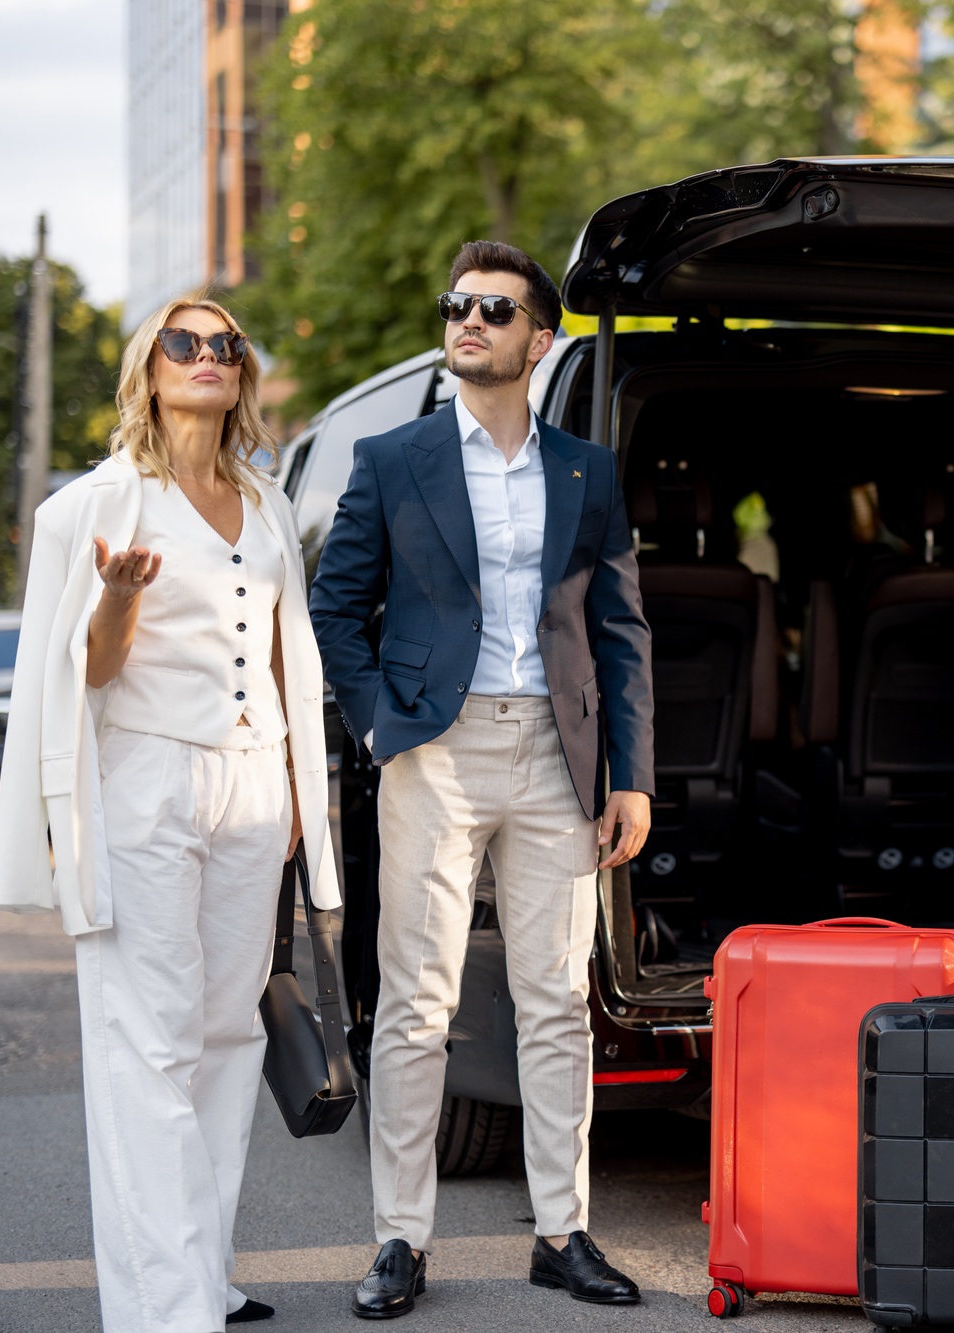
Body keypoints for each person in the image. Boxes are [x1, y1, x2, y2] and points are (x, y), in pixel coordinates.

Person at [310, 239, 655, 1319]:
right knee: (417, 1003)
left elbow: (620, 629)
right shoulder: (391, 457)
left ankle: (561, 1232)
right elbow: (335, 606)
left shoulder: (586, 471)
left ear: (538, 340)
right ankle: (400, 1239)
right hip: (435, 751)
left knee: (555, 1000)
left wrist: (632, 775)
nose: (468, 320)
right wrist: (381, 725)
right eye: (457, 305)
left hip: (558, 756)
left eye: (494, 310)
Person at [0, 296, 339, 1332]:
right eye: (183, 342)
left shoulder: (265, 500)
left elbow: (282, 648)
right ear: (150, 368)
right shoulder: (96, 505)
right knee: (146, 1041)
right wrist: (118, 596)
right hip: (144, 777)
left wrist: (294, 786)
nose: (206, 355)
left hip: (253, 784)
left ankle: (205, 1273)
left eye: (226, 344)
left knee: (228, 1033)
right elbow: (87, 672)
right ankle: (162, 1304)